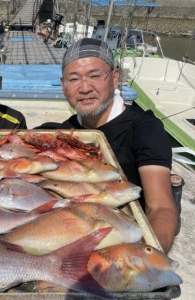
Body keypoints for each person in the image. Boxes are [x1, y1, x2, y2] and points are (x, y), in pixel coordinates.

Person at [36, 38, 179, 253]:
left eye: (94, 76)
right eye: (73, 79)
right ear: (64, 86)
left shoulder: (144, 128)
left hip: (120, 243)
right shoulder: (65, 132)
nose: (84, 88)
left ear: (115, 77)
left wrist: (150, 259)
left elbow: (161, 206)